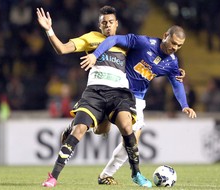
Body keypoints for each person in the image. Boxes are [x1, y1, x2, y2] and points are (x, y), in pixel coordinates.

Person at [36, 6, 152, 188]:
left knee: (126, 126)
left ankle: (136, 173)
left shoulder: (126, 43)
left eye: (111, 22)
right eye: (104, 23)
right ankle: (53, 177)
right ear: (100, 25)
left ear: (116, 24)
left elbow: (150, 57)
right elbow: (62, 49)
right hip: (95, 93)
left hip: (119, 94)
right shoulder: (91, 38)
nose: (107, 25)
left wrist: (172, 71)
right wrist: (49, 29)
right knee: (80, 130)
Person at [75, 25, 197, 185]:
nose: (174, 48)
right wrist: (95, 55)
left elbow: (176, 83)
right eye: (173, 43)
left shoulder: (172, 62)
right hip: (118, 88)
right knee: (104, 131)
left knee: (131, 141)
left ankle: (106, 175)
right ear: (165, 35)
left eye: (179, 45)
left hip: (137, 99)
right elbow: (114, 39)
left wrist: (184, 105)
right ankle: (79, 124)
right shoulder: (144, 43)